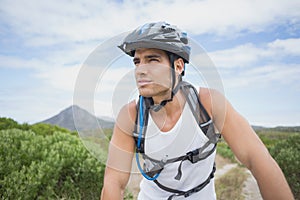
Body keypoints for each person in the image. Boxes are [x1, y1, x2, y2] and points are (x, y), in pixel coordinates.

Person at [101, 22, 294, 200]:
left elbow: (258, 160)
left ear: (178, 66)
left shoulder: (208, 104)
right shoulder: (131, 115)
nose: (141, 70)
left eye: (152, 60)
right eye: (137, 62)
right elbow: (114, 181)